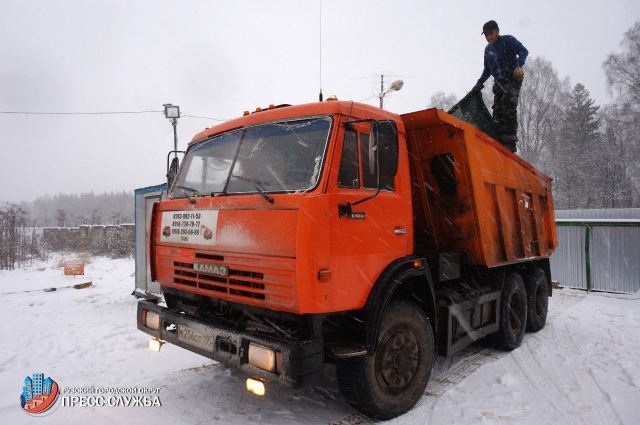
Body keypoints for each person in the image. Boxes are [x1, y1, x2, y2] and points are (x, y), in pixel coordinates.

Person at [474, 20, 528, 152]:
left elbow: (523, 51)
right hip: (498, 82)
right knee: (497, 110)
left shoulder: (507, 40)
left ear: (497, 31)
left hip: (512, 77)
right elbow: (487, 70)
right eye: (486, 35)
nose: (488, 37)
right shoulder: (488, 50)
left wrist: (519, 66)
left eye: (490, 33)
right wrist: (479, 83)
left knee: (508, 103)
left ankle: (510, 139)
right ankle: (500, 138)